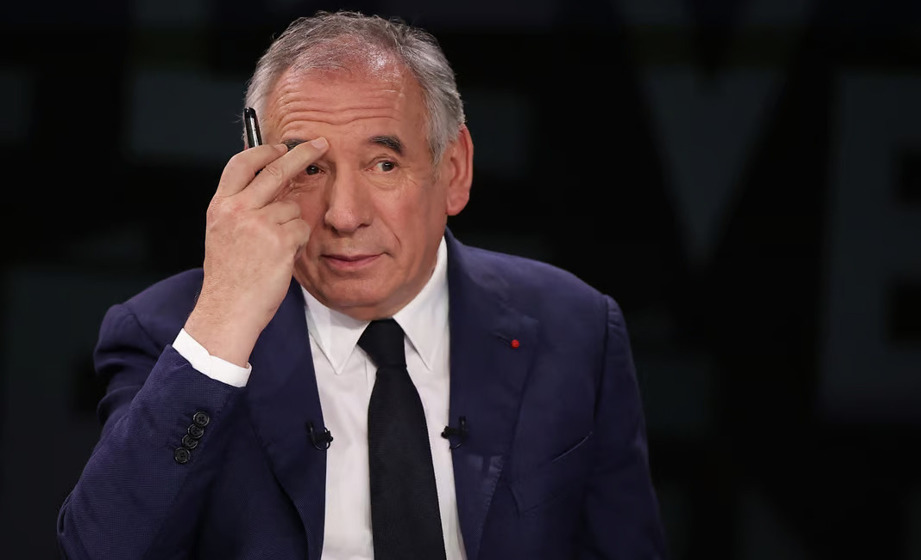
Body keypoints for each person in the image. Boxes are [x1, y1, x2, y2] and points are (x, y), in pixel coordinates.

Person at [56, 9, 667, 560]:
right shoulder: (171, 334)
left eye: (384, 164)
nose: (344, 215)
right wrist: (225, 321)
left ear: (453, 170)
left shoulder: (576, 327)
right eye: (309, 168)